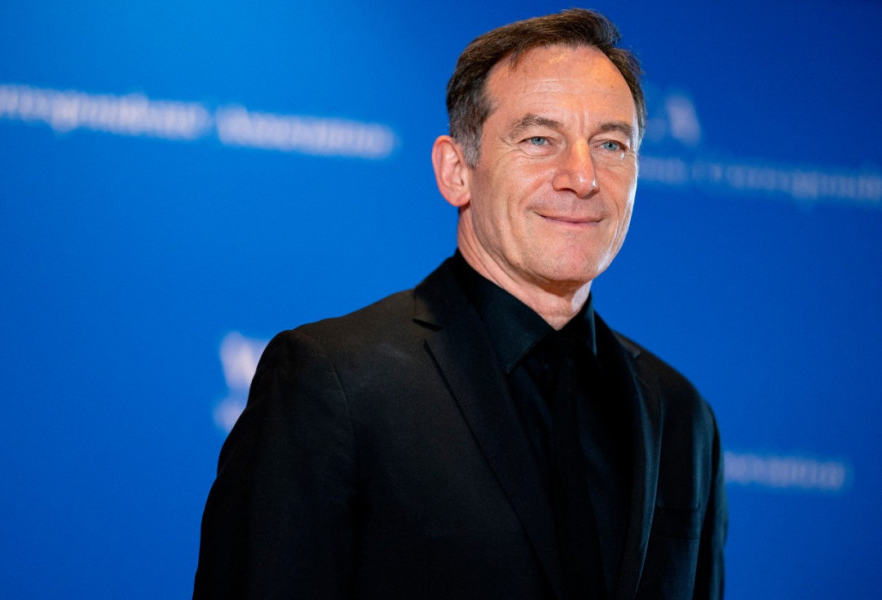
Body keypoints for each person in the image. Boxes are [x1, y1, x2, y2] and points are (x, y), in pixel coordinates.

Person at [193, 8, 727, 599]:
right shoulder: (333, 383)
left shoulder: (682, 416)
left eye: (611, 144)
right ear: (456, 171)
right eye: (539, 139)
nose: (582, 176)